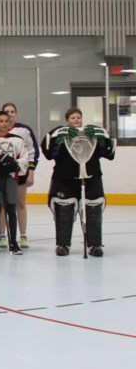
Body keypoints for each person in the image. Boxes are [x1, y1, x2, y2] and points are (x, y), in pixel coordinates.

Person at [41, 107, 116, 257]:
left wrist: (103, 141)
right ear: (67, 120)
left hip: (91, 178)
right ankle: (63, 244)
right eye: (73, 118)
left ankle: (94, 245)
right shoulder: (58, 133)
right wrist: (58, 142)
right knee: (64, 211)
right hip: (64, 178)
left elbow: (108, 153)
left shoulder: (91, 132)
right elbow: (49, 153)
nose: (76, 120)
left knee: (93, 211)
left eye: (78, 117)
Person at [0, 110, 29, 256]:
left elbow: (24, 158)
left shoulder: (17, 140)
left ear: (10, 123)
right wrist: (0, 164)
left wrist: (12, 164)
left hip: (11, 179)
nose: (3, 124)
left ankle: (13, 243)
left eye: (6, 121)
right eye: (0, 121)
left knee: (11, 209)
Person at [0, 102, 39, 249]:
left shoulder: (24, 130)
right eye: (6, 111)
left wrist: (31, 171)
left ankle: (23, 235)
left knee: (20, 203)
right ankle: (2, 234)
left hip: (21, 173)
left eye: (12, 111)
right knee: (3, 205)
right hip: (2, 175)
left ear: (15, 113)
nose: (9, 114)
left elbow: (32, 152)